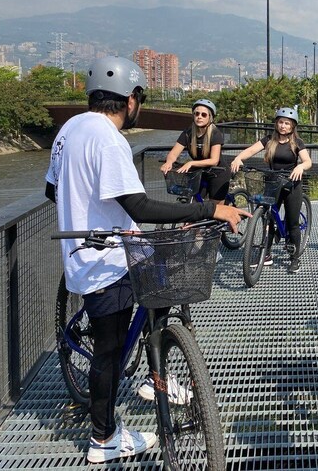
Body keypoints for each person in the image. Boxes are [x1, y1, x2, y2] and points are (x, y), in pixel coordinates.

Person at [45, 56, 248, 465]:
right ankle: (103, 438)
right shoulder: (108, 138)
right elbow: (137, 203)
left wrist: (90, 210)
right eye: (139, 97)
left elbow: (53, 191)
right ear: (131, 99)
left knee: (158, 288)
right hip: (102, 261)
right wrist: (209, 210)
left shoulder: (69, 129)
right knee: (108, 354)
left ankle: (159, 372)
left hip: (96, 251)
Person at [230, 107, 312, 274]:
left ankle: (295, 257)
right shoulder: (269, 140)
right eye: (281, 122)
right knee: (267, 217)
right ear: (276, 124)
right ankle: (266, 254)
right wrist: (238, 158)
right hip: (272, 182)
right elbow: (251, 150)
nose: (283, 126)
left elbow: (308, 161)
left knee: (292, 222)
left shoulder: (297, 143)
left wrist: (301, 167)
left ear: (292, 126)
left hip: (291, 184)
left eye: (287, 123)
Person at [160, 99, 231, 203]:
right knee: (193, 204)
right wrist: (169, 162)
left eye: (203, 114)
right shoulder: (188, 133)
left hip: (218, 172)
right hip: (199, 173)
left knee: (216, 209)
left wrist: (191, 163)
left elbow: (214, 160)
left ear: (210, 117)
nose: (199, 117)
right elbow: (174, 153)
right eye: (196, 114)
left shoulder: (215, 134)